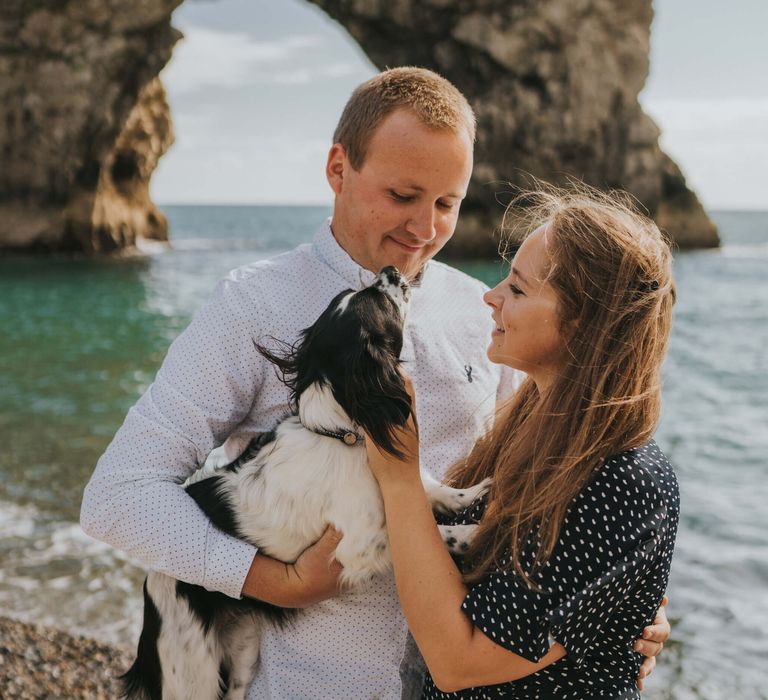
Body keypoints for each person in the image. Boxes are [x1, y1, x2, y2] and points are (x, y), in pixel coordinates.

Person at [80, 68, 668, 699]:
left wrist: (615, 606)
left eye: (447, 204)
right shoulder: (251, 306)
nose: (425, 229)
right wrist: (277, 582)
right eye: (403, 195)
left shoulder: (486, 315)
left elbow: (541, 492)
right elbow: (118, 497)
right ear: (338, 169)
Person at [365, 187, 679, 698]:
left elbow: (458, 662)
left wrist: (399, 472)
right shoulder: (532, 424)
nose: (490, 297)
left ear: (583, 324)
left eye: (517, 288)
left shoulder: (624, 480)